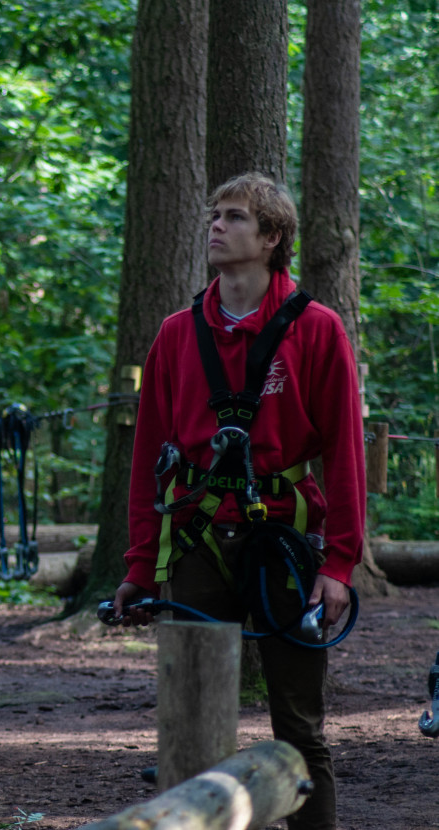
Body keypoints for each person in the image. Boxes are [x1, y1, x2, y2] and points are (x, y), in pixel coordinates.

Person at [112, 173, 365, 830]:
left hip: (284, 542)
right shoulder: (176, 334)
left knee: (299, 729)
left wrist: (338, 563)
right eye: (212, 217)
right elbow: (146, 462)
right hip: (196, 538)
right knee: (190, 732)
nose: (214, 228)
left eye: (232, 218)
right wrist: (141, 569)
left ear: (272, 237)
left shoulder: (314, 329)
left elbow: (343, 452)